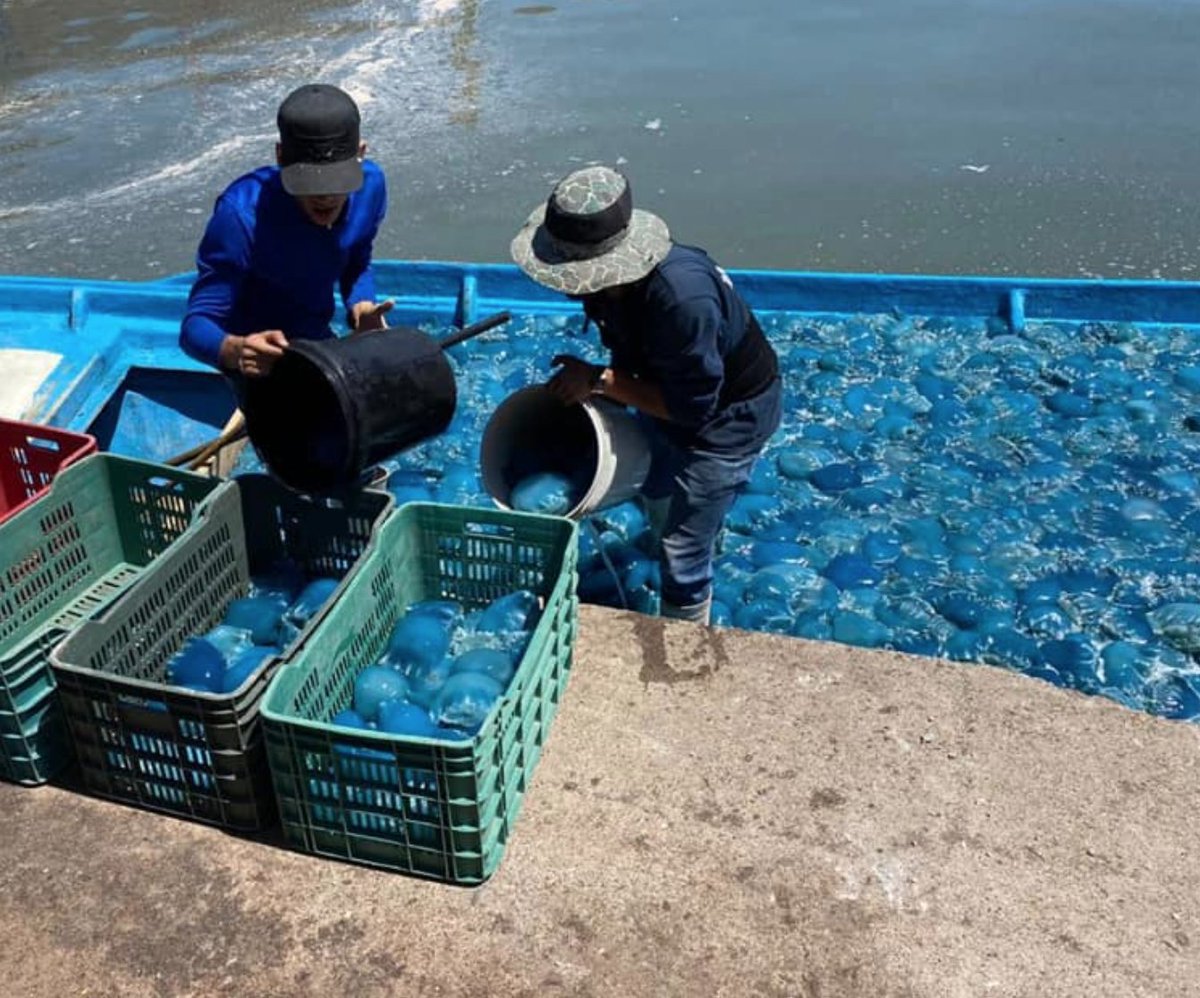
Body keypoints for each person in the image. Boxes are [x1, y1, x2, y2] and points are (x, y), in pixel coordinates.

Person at [510, 165, 782, 624]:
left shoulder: (682, 301)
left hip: (728, 415)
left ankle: (684, 629)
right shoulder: (615, 288)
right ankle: (677, 527)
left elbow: (693, 410)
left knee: (683, 545)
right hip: (664, 385)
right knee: (656, 480)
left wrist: (598, 380)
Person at [180, 83, 392, 378]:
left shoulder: (371, 187)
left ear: (361, 153)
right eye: (309, 180)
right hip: (258, 361)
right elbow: (195, 326)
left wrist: (361, 305)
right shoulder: (240, 216)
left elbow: (356, 261)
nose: (326, 196)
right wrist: (236, 351)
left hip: (316, 342)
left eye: (337, 179)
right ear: (280, 157)